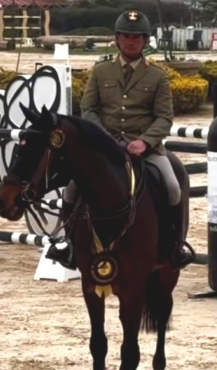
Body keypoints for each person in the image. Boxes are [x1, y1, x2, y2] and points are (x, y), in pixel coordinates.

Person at [45, 10, 195, 271]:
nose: (131, 41)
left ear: (146, 41)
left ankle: (175, 245)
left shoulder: (157, 76)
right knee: (72, 187)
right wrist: (104, 138)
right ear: (116, 39)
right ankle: (68, 245)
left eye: (137, 37)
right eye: (126, 36)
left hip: (145, 148)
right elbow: (88, 109)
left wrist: (145, 142)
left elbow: (164, 118)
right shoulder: (101, 71)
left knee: (172, 185)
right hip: (105, 147)